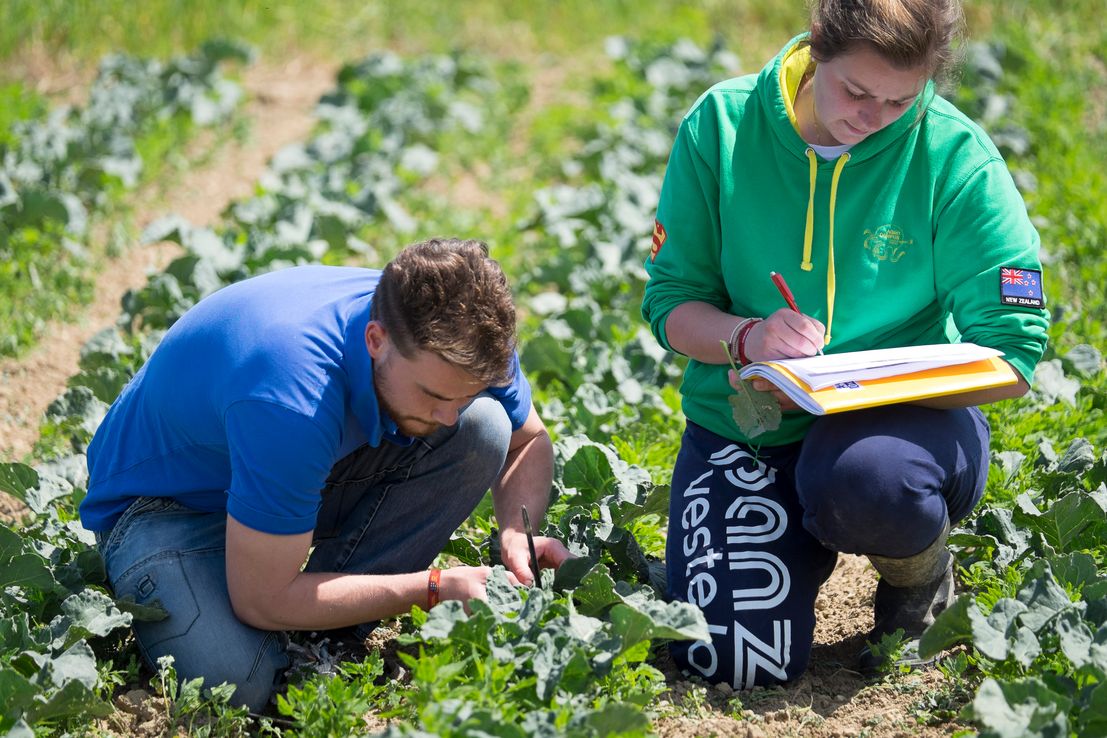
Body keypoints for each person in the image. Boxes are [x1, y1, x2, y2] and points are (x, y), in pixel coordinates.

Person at [642, 0, 1048, 687]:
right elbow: (671, 304)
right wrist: (747, 338)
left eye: (898, 101)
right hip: (749, 425)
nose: (872, 117)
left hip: (897, 432)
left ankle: (916, 578)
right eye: (855, 91)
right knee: (732, 663)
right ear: (816, 48)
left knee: (866, 482)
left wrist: (883, 386)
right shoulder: (722, 124)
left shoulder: (953, 153)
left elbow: (1013, 352)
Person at [80, 238, 571, 711]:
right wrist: (432, 587)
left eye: (463, 394)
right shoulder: (292, 397)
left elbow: (528, 440)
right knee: (238, 683)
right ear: (376, 340)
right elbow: (260, 599)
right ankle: (263, 599)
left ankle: (324, 636)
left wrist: (515, 530)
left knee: (484, 427)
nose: (448, 415)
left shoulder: (464, 334)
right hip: (167, 509)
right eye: (435, 397)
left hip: (284, 468)